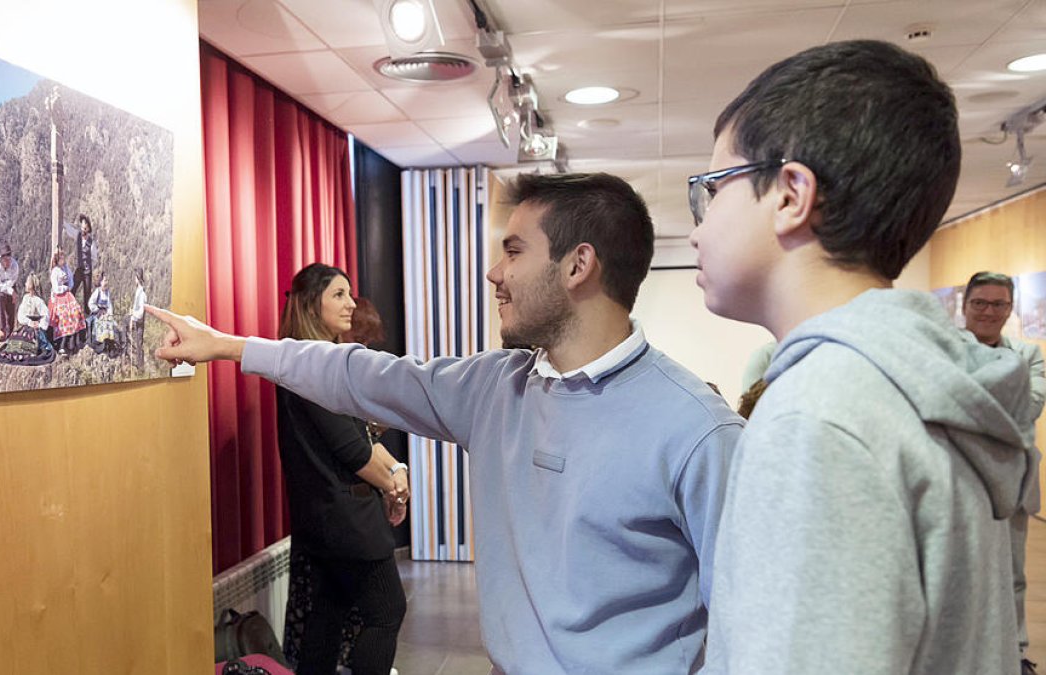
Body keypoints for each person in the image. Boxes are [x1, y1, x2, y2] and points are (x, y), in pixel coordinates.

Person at [147, 172, 743, 673]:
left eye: (513, 251)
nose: (493, 272)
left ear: (577, 265)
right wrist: (228, 346)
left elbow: (751, 627)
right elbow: (358, 375)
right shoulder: (495, 387)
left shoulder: (698, 432)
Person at [687, 40, 1037, 673]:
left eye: (713, 189)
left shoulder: (819, 417)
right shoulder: (912, 384)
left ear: (791, 193)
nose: (698, 227)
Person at [258, 263, 409, 675]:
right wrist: (393, 482)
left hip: (325, 517)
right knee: (386, 612)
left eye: (350, 293)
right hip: (346, 522)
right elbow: (354, 452)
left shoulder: (306, 361)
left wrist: (395, 469)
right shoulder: (312, 364)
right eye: (339, 295)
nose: (351, 304)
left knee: (327, 614)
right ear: (311, 304)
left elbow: (355, 440)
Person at [962, 271, 1046, 675]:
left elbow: (1029, 406)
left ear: (1010, 308)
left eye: (998, 304)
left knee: (1012, 572)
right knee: (957, 567)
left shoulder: (1029, 355)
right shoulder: (944, 350)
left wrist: (969, 401)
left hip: (1013, 480)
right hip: (957, 478)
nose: (988, 312)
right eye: (980, 303)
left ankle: (1015, 653)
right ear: (964, 306)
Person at [0, 273, 54, 366]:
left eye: (27, 282)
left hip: (35, 329)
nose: (25, 284)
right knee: (18, 336)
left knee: (31, 337)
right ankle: (21, 349)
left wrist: (40, 325)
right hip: (27, 325)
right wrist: (29, 322)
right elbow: (20, 315)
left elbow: (46, 314)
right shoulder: (25, 298)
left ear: (31, 286)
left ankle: (29, 349)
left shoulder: (38, 300)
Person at [48, 249, 85, 357]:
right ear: (57, 260)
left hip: (67, 295)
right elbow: (55, 288)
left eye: (64, 258)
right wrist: (64, 287)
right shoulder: (55, 271)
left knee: (76, 311)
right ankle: (62, 344)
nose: (63, 261)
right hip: (59, 296)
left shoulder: (66, 268)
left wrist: (69, 285)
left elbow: (71, 281)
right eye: (61, 259)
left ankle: (75, 341)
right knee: (64, 315)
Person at [0, 241, 19, 341]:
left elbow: (12, 281)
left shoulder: (14, 265)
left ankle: (10, 333)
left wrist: (10, 290)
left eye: (9, 259)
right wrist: (10, 291)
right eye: (5, 260)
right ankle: (2, 329)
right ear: (1, 258)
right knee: (0, 297)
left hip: (10, 286)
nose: (8, 262)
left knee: (11, 309)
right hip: (1, 288)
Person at [87, 271, 118, 355]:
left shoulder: (107, 292)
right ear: (100, 282)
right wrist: (97, 310)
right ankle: (100, 345)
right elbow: (90, 303)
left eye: (107, 281)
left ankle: (109, 345)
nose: (106, 283)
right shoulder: (97, 292)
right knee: (102, 323)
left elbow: (109, 304)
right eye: (104, 281)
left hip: (105, 312)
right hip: (97, 313)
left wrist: (110, 313)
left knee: (111, 323)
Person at [74, 214, 98, 310]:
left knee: (87, 295)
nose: (82, 229)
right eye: (82, 226)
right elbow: (69, 230)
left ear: (88, 229)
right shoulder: (78, 235)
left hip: (87, 272)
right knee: (72, 289)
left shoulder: (91, 243)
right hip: (80, 269)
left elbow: (95, 258)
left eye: (84, 228)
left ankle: (87, 317)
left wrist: (89, 265)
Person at [129, 268, 147, 368]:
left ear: (137, 278)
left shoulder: (141, 294)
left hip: (139, 321)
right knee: (139, 342)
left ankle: (140, 366)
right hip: (138, 320)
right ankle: (140, 364)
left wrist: (133, 316)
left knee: (139, 342)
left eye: (135, 278)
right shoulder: (140, 291)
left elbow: (140, 313)